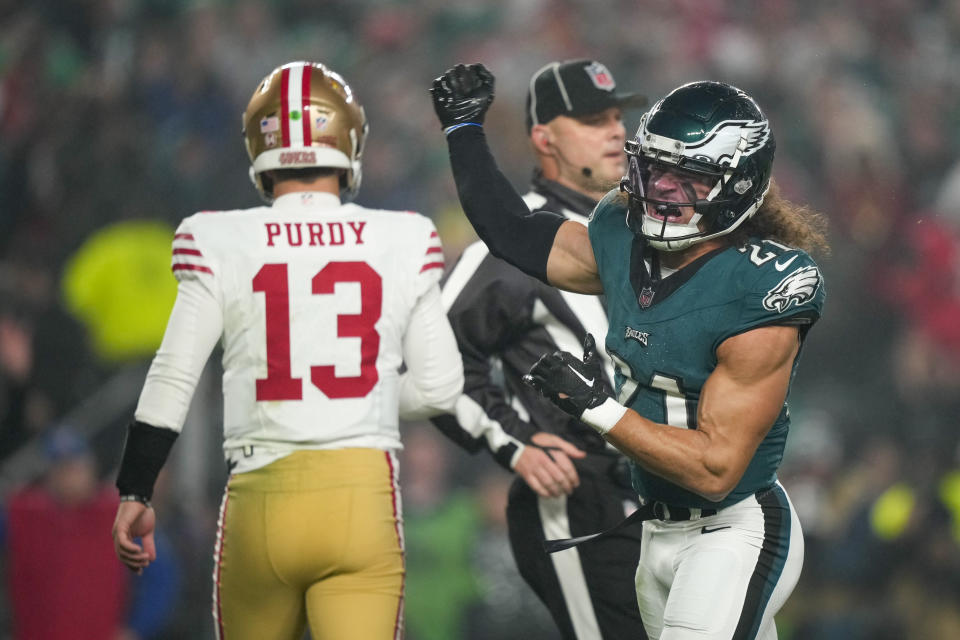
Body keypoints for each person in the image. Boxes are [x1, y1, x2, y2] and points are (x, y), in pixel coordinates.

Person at [430, 64, 828, 640]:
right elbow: (514, 231)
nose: (662, 189)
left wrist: (599, 409)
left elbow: (716, 469)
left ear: (737, 185)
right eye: (656, 169)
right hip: (655, 529)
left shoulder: (762, 289)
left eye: (685, 177)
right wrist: (464, 134)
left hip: (730, 528)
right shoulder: (621, 237)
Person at [111, 61, 464, 640]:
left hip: (260, 494)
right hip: (361, 493)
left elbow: (173, 374)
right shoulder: (403, 235)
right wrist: (356, 402)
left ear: (260, 145)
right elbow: (440, 386)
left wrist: (136, 488)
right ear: (349, 138)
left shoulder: (217, 238)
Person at [430, 59, 649, 639]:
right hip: (581, 503)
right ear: (542, 138)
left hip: (661, 497)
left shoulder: (634, 227)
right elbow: (429, 366)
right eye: (591, 119)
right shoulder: (517, 243)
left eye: (616, 116)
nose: (615, 131)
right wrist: (514, 443)